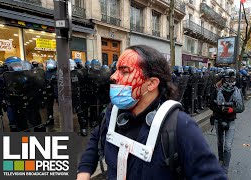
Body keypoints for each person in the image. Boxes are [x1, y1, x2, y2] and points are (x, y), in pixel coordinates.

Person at [77, 45, 226, 180]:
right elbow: (97, 138)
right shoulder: (113, 112)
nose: (113, 77)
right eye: (116, 70)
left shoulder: (180, 127)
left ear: (151, 83)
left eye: (124, 71)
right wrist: (84, 170)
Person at [208, 68, 245, 174]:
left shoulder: (237, 91)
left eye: (232, 78)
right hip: (218, 120)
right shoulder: (216, 89)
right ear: (223, 79)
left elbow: (241, 108)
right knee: (220, 142)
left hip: (231, 121)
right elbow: (211, 103)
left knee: (228, 146)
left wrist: (232, 109)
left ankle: (225, 168)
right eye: (228, 78)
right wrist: (220, 109)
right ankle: (220, 160)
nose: (230, 81)